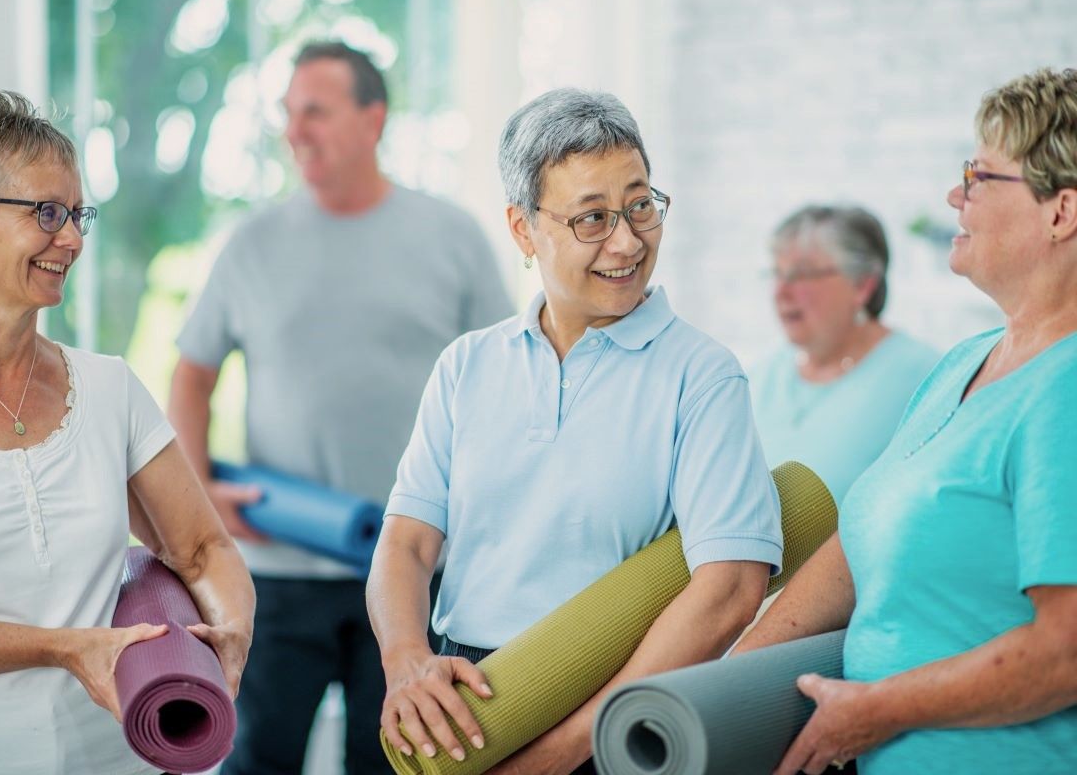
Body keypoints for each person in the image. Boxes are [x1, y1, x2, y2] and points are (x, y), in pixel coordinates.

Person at [367, 88, 783, 775]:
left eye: (641, 205)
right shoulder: (466, 365)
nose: (627, 242)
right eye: (592, 218)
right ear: (524, 229)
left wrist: (565, 751)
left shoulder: (703, 376)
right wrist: (406, 660)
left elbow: (731, 588)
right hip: (469, 701)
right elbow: (407, 543)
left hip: (618, 703)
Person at [0, 91, 254, 774]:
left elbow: (201, 550)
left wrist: (231, 631)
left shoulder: (109, 388)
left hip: (116, 758)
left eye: (79, 214)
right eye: (47, 213)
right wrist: (61, 646)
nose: (73, 239)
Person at [170, 41, 512, 775]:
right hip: (279, 572)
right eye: (289, 115)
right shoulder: (252, 243)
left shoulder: (451, 236)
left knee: (396, 759)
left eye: (316, 112)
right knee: (255, 757)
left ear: (372, 119)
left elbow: (505, 380)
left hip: (416, 565)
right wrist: (197, 493)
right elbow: (192, 373)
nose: (296, 131)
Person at [733, 67, 1077, 775]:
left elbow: (1066, 650)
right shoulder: (964, 362)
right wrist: (725, 683)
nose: (955, 195)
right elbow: (853, 554)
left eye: (979, 177)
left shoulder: (1066, 388)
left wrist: (877, 709)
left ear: (1060, 212)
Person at [749, 205, 938, 503]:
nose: (780, 292)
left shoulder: (927, 378)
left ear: (862, 285)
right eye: (777, 273)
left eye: (801, 274)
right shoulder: (758, 377)